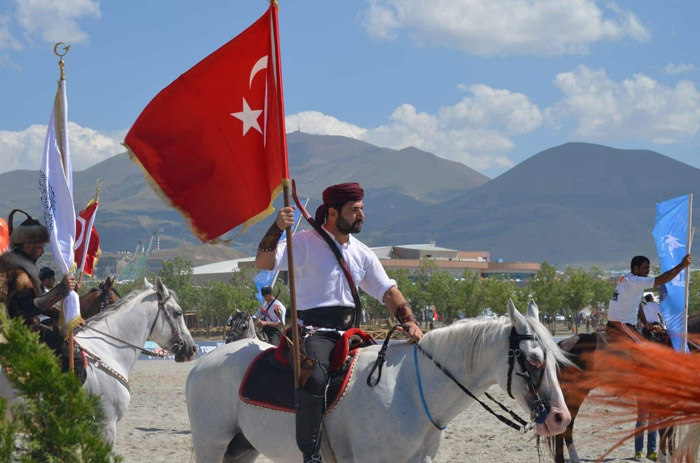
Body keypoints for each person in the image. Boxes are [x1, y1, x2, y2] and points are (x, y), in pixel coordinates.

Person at [255, 182, 423, 463]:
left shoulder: (363, 253)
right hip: (313, 333)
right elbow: (263, 262)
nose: (362, 216)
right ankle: (311, 454)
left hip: (351, 333)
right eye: (354, 210)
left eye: (362, 209)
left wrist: (410, 321)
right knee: (316, 378)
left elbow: (388, 292)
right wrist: (276, 227)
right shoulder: (304, 243)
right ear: (333, 213)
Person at [0, 210, 83, 380]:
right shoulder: (18, 272)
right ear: (28, 245)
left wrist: (65, 315)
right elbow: (30, 308)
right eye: (40, 247)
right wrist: (61, 289)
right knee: (75, 361)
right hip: (20, 332)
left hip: (19, 327)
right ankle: (57, 404)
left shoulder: (16, 266)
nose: (42, 252)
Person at [606, 254, 691, 345]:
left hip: (619, 324)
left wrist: (645, 323)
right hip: (621, 325)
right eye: (645, 268)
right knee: (644, 351)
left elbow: (637, 304)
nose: (648, 271)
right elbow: (660, 280)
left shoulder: (627, 278)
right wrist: (682, 265)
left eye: (648, 268)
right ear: (635, 269)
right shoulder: (634, 281)